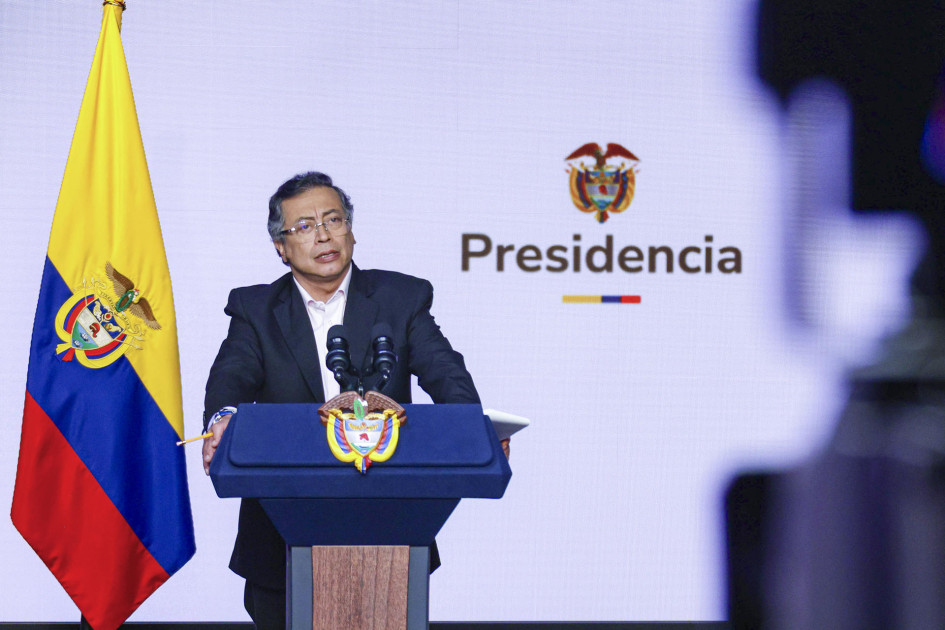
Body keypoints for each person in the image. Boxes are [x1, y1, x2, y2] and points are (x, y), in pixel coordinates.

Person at [202, 171, 500, 629]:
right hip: (280, 535)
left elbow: (447, 373)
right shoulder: (254, 308)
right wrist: (222, 418)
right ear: (280, 247)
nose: (322, 234)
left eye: (333, 219)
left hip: (388, 534)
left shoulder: (402, 298)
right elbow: (233, 374)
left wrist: (472, 430)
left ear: (351, 231)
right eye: (303, 226)